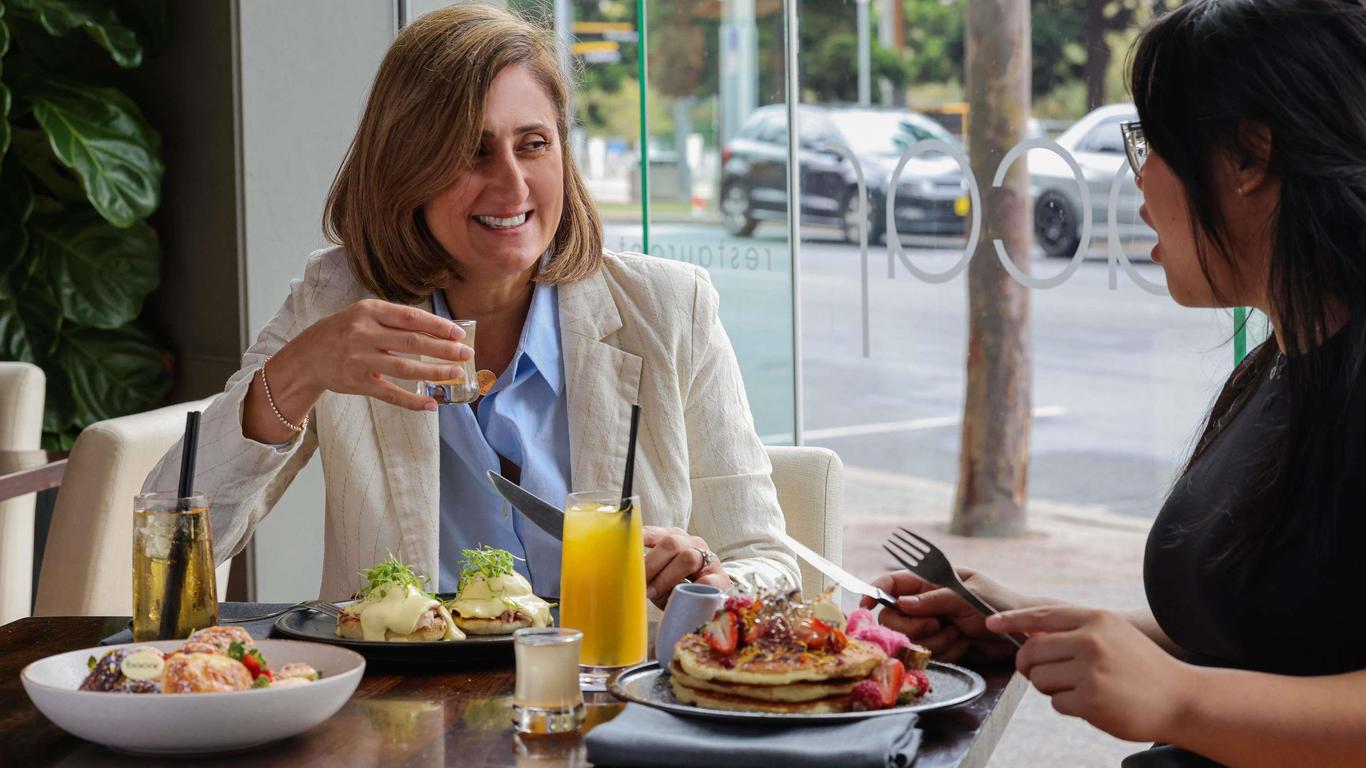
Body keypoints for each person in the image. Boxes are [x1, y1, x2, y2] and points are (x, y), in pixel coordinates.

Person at [144, 4, 797, 607]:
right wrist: (297, 371)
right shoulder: (337, 301)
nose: (512, 184)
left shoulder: (669, 308)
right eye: (472, 151)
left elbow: (766, 559)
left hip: (612, 702)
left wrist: (709, 579)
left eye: (533, 144)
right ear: (407, 167)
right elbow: (170, 540)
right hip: (402, 714)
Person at [865, 1, 1366, 765]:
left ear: (1250, 158)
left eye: (1151, 143)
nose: (1138, 181)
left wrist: (1177, 698)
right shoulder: (1288, 365)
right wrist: (1027, 621)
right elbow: (1274, 632)